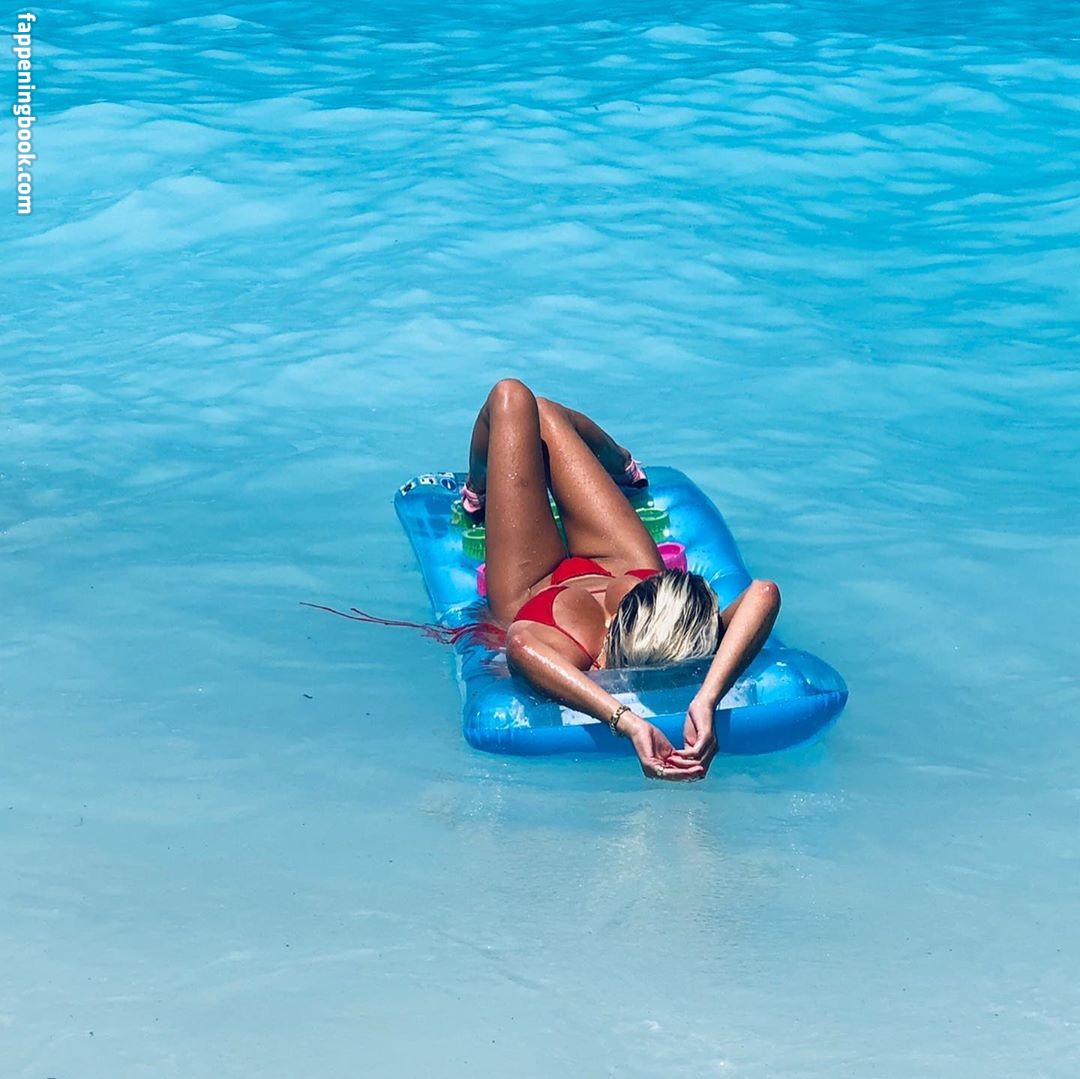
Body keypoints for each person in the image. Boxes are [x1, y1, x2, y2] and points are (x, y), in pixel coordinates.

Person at [462, 379, 781, 782]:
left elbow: (521, 644)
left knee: (512, 398)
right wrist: (703, 698)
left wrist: (632, 719)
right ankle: (620, 461)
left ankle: (477, 485)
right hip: (622, 566)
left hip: (532, 583)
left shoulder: (593, 647)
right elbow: (764, 592)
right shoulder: (683, 630)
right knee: (540, 410)